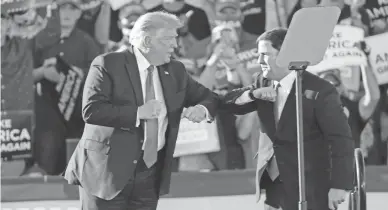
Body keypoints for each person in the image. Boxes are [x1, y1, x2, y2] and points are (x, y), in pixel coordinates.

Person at [63, 11, 218, 210]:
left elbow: (208, 97)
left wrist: (202, 108)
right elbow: (92, 110)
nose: (175, 45)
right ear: (146, 40)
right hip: (106, 172)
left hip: (149, 175)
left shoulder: (175, 70)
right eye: (168, 39)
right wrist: (138, 113)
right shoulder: (107, 64)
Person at [220, 28, 355, 210]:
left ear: (285, 55)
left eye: (265, 55)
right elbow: (226, 104)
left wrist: (339, 185)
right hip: (275, 188)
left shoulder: (320, 90)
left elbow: (341, 140)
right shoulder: (262, 82)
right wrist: (252, 94)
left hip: (310, 188)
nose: (259, 61)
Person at [33, 0, 101, 175]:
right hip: (46, 109)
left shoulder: (87, 42)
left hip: (78, 111)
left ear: (79, 13)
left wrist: (76, 74)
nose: (67, 13)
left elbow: (102, 75)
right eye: (63, 8)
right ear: (55, 12)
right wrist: (43, 72)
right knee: (48, 146)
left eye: (73, 8)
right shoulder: (40, 40)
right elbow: (24, 74)